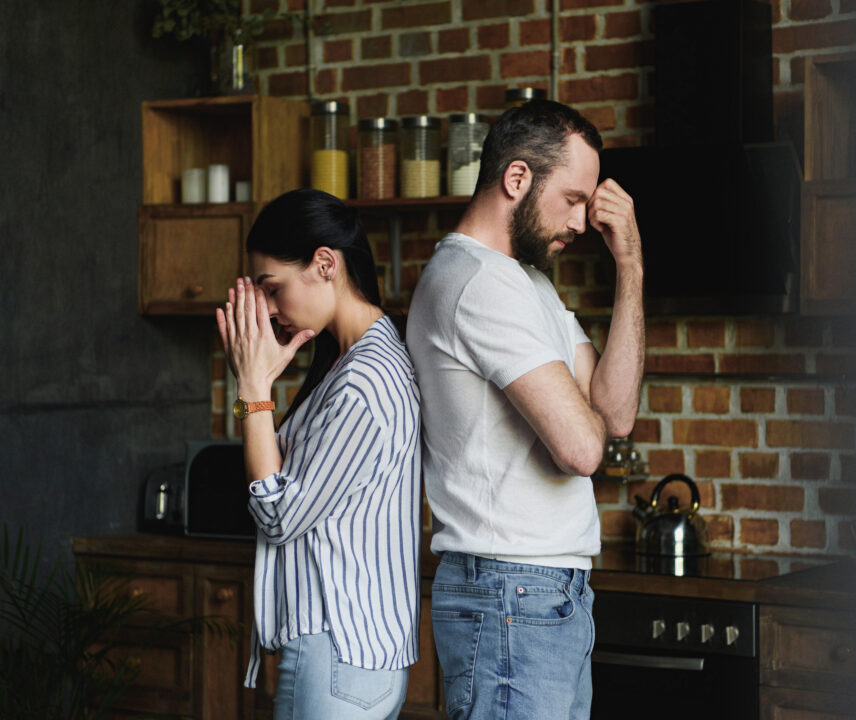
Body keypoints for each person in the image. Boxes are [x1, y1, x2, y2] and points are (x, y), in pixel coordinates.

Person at [406, 100, 645, 719]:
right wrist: (580, 410)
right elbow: (583, 449)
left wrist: (631, 265)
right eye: (571, 198)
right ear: (517, 179)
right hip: (509, 590)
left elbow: (614, 415)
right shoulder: (473, 280)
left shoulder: (526, 282)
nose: (582, 220)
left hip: (544, 591)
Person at [216, 189, 421, 720]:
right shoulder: (350, 365)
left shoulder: (363, 381)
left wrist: (252, 385)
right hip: (345, 653)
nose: (267, 308)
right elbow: (284, 475)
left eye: (273, 288)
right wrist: (255, 389)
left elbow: (279, 513)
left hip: (338, 652)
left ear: (325, 264)